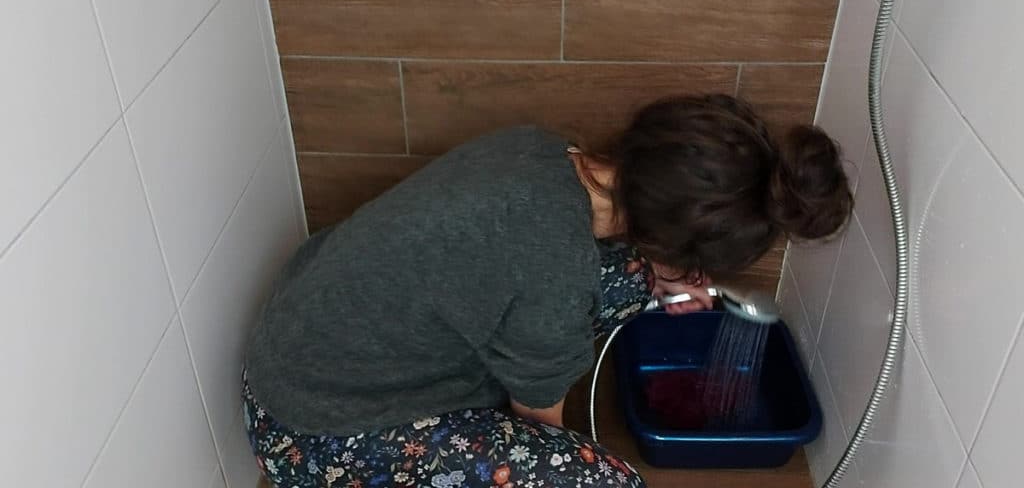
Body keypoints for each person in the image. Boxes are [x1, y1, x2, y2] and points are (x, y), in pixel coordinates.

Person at [243, 94, 853, 488]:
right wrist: (570, 466)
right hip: (311, 429)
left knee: (630, 281)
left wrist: (660, 276)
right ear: (668, 236)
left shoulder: (538, 149)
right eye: (691, 262)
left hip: (302, 332)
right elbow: (541, 422)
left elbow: (550, 270)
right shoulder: (553, 272)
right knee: (607, 484)